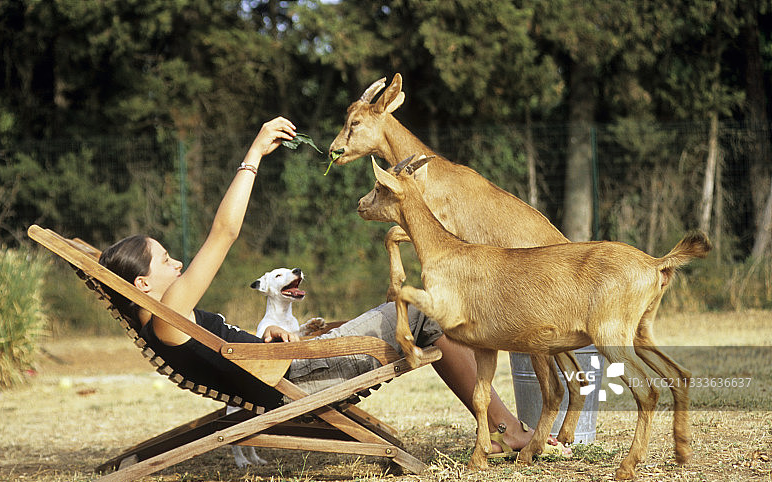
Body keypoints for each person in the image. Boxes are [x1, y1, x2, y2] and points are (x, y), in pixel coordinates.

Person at [98, 116, 569, 457]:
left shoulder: (166, 320)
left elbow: (220, 352)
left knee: (422, 313)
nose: (176, 262)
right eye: (165, 260)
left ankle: (502, 423)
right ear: (142, 284)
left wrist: (269, 341)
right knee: (430, 310)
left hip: (280, 364)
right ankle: (506, 427)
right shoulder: (164, 316)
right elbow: (224, 233)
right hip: (295, 378)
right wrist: (254, 154)